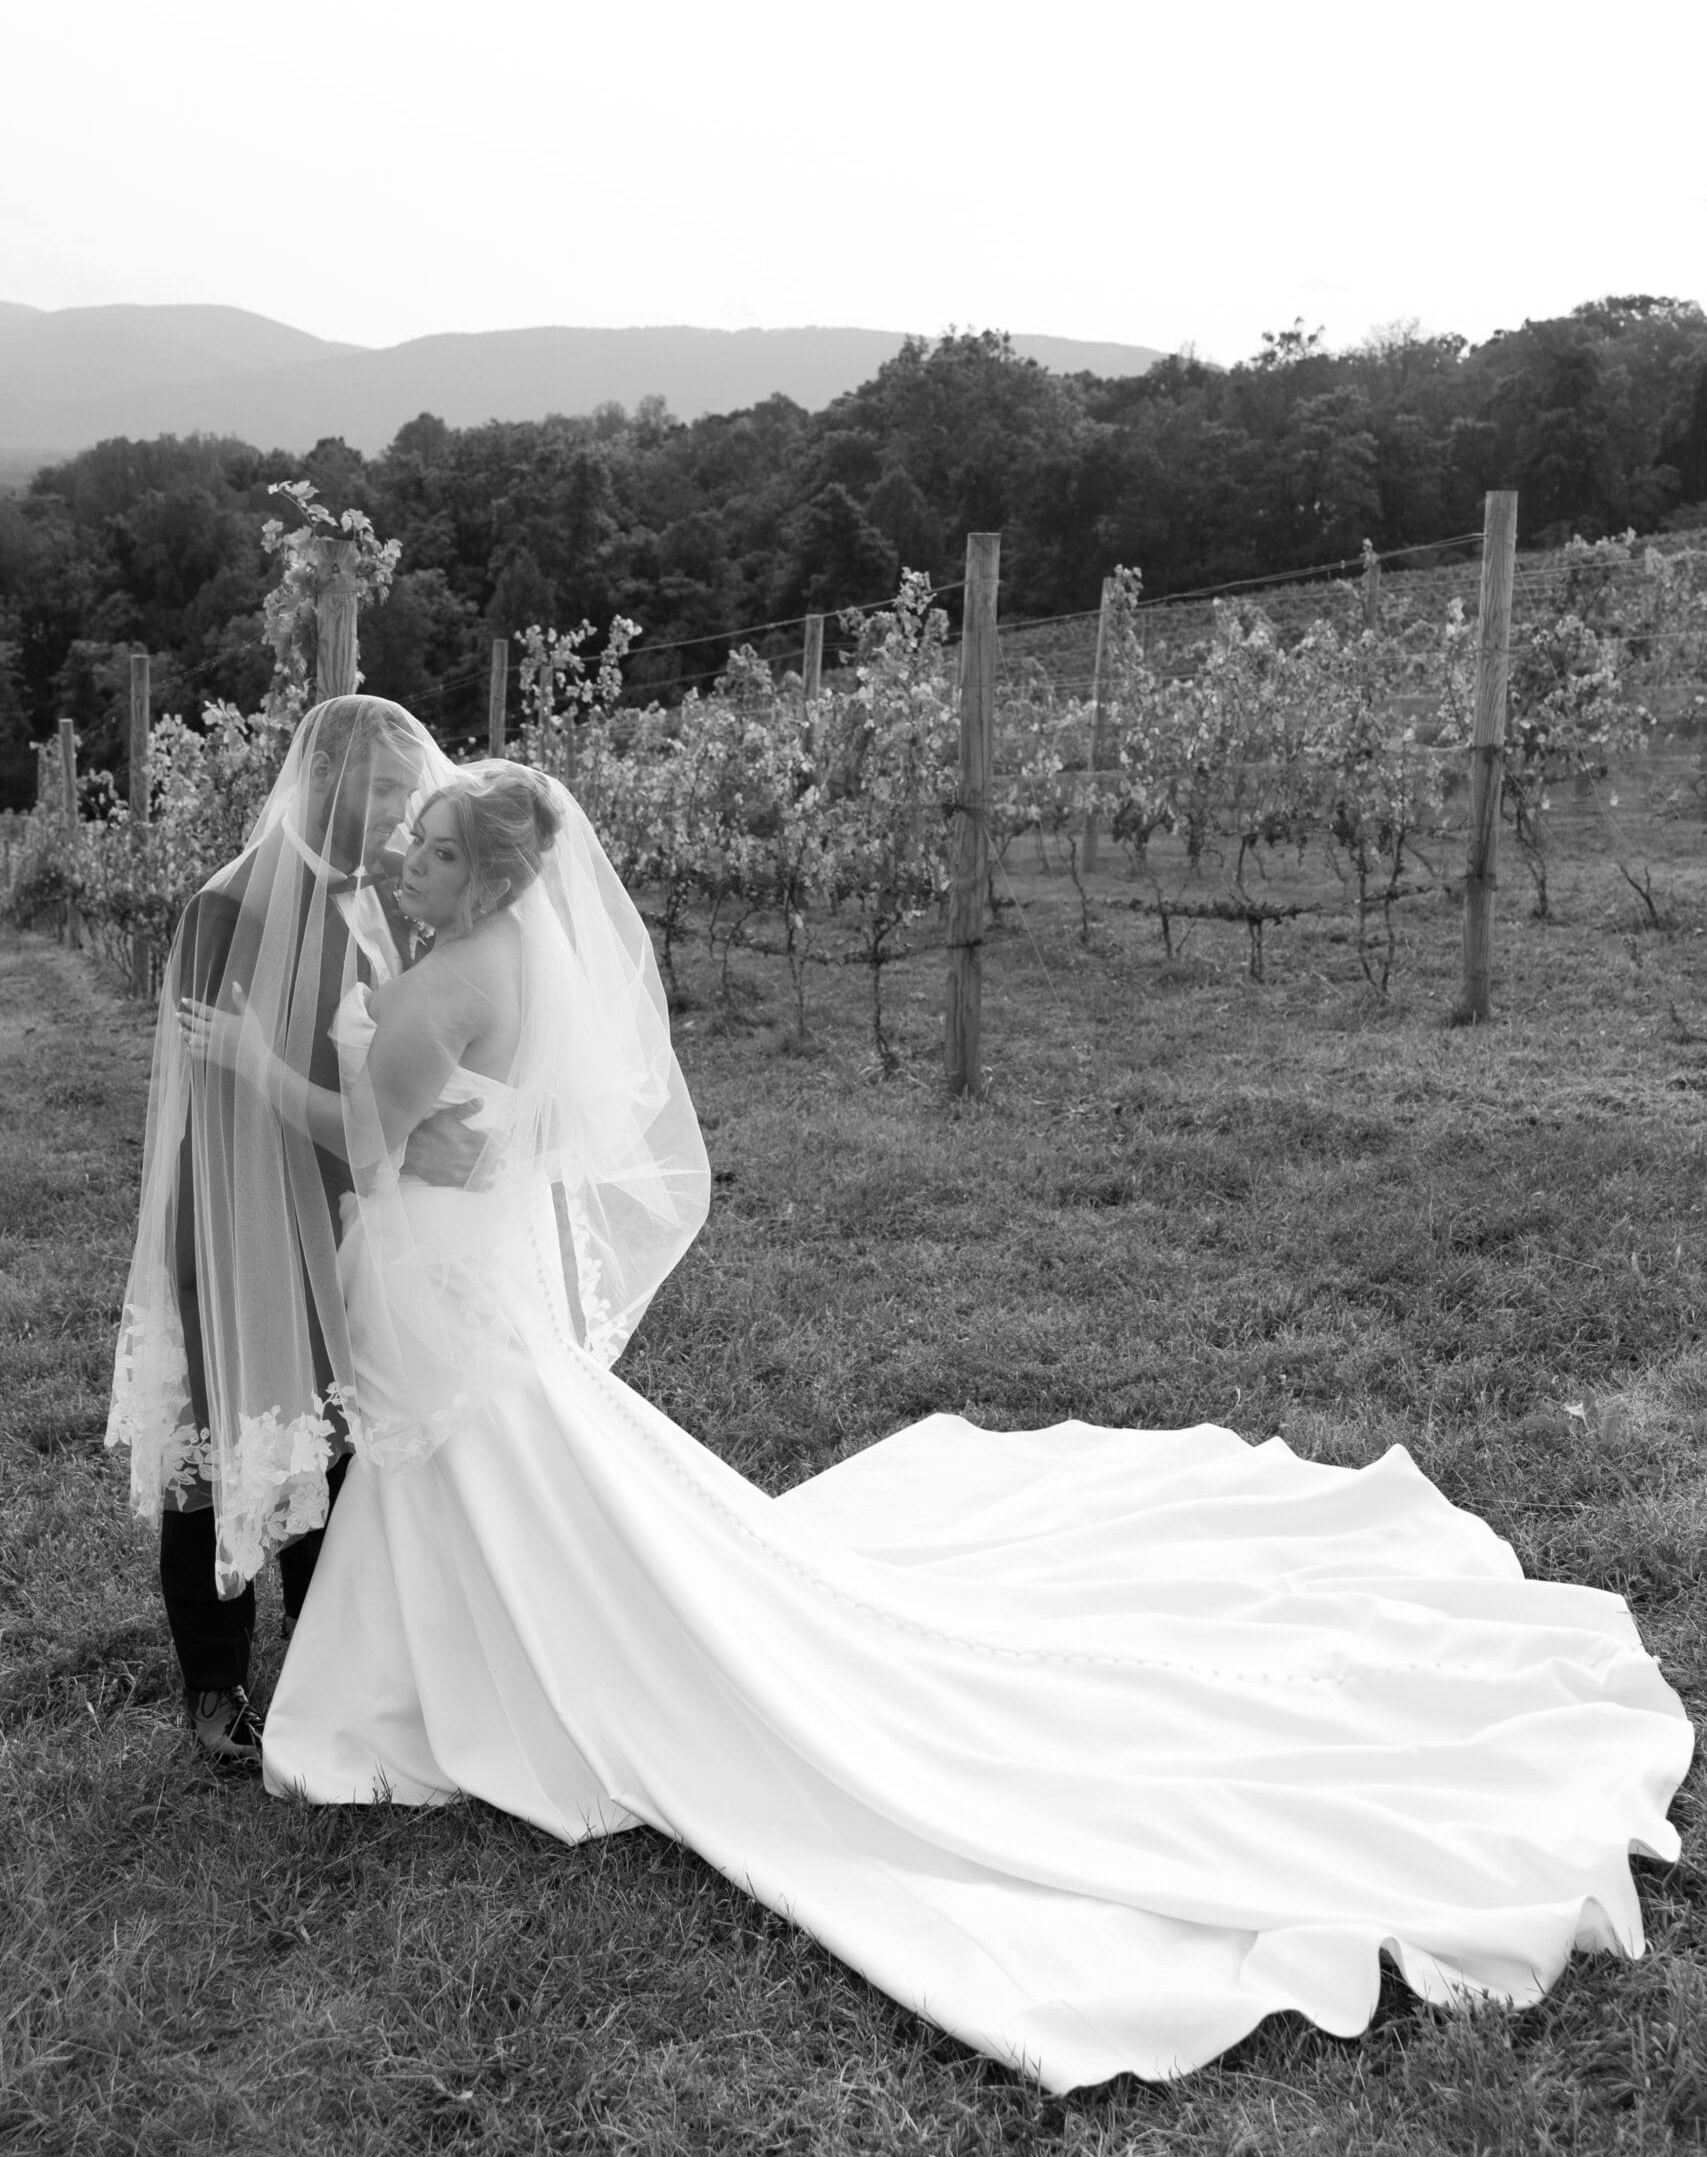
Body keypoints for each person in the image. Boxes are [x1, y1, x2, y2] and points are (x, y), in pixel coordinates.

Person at [170, 758, 1691, 2090]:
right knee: (501, 1473)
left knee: (494, 1470)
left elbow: (371, 1147)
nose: (398, 865)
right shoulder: (491, 954)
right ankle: (442, 1676)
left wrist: (258, 1069)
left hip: (441, 1287)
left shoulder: (444, 982)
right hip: (467, 1279)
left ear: (486, 876)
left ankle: (460, 1688)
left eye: (429, 850)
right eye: (407, 844)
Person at [107, 695, 454, 1766]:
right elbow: (216, 1105)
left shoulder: (383, 899)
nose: (404, 812)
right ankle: (214, 1689)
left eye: (410, 791)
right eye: (388, 790)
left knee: (337, 1436)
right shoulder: (225, 909)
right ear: (328, 780)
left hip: (351, 1213)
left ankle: (320, 1662)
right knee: (225, 1436)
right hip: (234, 1213)